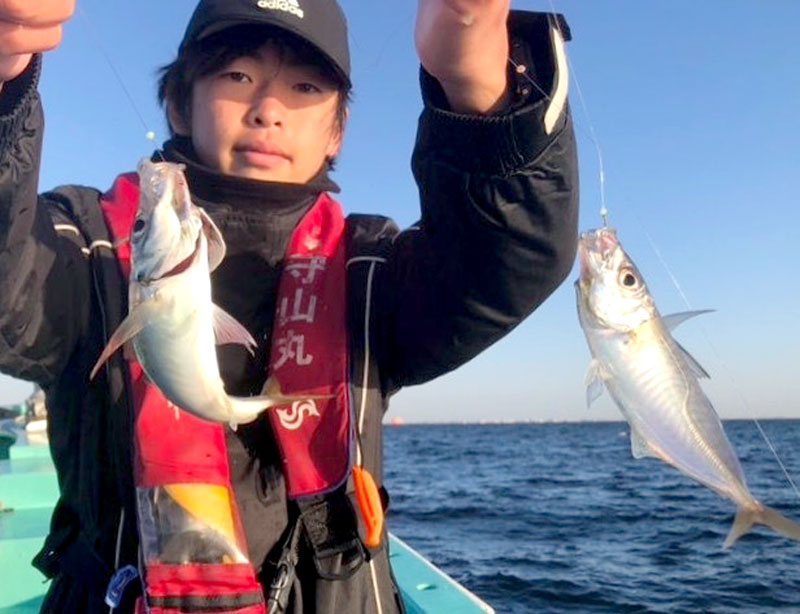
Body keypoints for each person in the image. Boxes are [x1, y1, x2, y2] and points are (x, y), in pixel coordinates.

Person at [0, 0, 579, 612]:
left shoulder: (372, 271)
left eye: (303, 86)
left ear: (337, 132)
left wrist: (479, 85)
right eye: (236, 76)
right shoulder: (83, 246)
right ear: (178, 102)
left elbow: (512, 258)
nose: (267, 111)